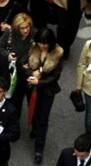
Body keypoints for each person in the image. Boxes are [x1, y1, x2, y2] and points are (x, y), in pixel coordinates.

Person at [27, 28, 63, 164]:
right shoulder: (33, 48)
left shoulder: (57, 53)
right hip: (32, 87)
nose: (42, 46)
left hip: (48, 89)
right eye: (40, 42)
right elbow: (26, 64)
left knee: (43, 118)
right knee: (34, 111)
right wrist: (31, 73)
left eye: (45, 43)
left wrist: (39, 81)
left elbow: (55, 76)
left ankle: (39, 150)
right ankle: (34, 128)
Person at [0, 13, 35, 116]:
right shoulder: (9, 33)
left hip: (25, 73)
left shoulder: (34, 34)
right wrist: (7, 55)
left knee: (23, 99)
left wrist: (30, 62)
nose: (25, 30)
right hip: (11, 72)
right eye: (22, 28)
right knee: (10, 99)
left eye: (27, 27)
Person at [75, 22, 91, 142]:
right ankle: (90, 137)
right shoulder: (89, 45)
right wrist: (78, 86)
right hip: (89, 85)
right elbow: (81, 64)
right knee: (89, 114)